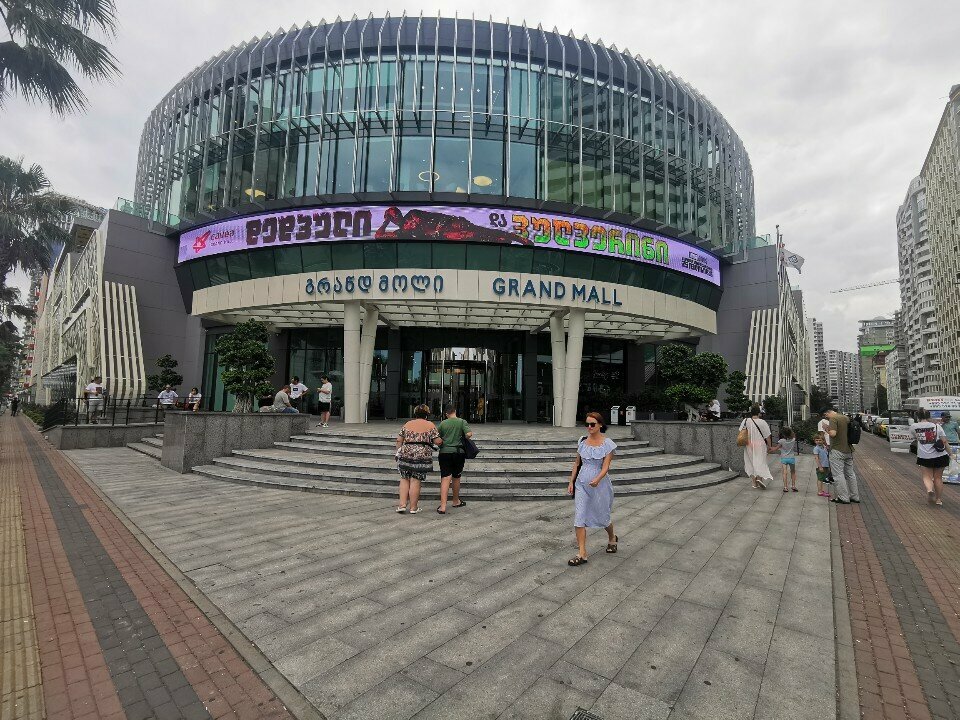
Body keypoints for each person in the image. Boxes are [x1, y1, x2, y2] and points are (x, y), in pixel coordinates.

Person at [567, 411, 618, 566]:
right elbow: (577, 463)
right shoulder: (582, 441)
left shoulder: (607, 444)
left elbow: (606, 466)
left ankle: (612, 538)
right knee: (579, 517)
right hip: (581, 484)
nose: (589, 427)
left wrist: (597, 479)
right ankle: (582, 553)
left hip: (600, 485)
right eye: (587, 424)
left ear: (600, 425)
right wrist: (571, 482)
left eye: (592, 424)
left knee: (603, 517)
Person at [395, 404, 441, 514]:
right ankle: (413, 507)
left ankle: (402, 505)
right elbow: (437, 441)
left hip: (406, 453)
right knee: (415, 480)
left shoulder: (408, 424)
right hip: (421, 456)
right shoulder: (430, 425)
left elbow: (399, 440)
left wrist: (398, 451)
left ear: (415, 414)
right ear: (427, 414)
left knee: (404, 478)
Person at [436, 404, 472, 514]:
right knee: (456, 477)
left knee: (445, 478)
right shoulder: (462, 422)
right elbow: (469, 434)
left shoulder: (443, 423)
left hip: (445, 453)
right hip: (458, 452)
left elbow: (437, 438)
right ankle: (456, 501)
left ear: (446, 414)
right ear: (455, 411)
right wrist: (463, 437)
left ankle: (443, 506)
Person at [912, 409, 949, 506]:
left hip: (924, 456)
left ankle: (929, 490)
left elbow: (916, 437)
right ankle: (938, 500)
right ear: (929, 416)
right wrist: (950, 453)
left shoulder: (914, 426)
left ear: (918, 417)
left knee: (927, 476)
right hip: (940, 455)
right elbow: (944, 441)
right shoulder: (937, 426)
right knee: (938, 478)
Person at [826, 407, 860, 504]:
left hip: (837, 450)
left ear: (828, 412)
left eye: (826, 415)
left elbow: (833, 434)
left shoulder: (833, 419)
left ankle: (843, 497)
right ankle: (855, 496)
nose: (826, 417)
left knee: (838, 474)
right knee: (850, 474)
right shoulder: (846, 417)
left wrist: (827, 429)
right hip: (849, 449)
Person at [739, 405, 774, 489]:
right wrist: (770, 446)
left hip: (749, 444)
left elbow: (741, 431)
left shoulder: (745, 420)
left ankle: (754, 483)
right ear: (759, 413)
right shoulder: (762, 422)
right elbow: (767, 437)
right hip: (760, 445)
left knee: (751, 462)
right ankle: (759, 479)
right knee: (760, 461)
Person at [772, 426, 798, 493]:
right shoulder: (793, 440)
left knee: (784, 473)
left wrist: (770, 449)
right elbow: (794, 434)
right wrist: (790, 430)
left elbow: (775, 448)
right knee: (793, 472)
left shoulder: (781, 441)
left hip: (784, 458)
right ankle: (793, 486)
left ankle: (785, 487)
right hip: (791, 458)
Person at [813, 432, 831, 498]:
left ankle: (821, 490)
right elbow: (816, 458)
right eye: (816, 440)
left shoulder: (824, 447)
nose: (818, 441)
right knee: (820, 479)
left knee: (822, 478)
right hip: (821, 466)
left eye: (820, 440)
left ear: (823, 440)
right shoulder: (816, 448)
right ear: (814, 441)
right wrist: (820, 467)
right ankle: (820, 492)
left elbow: (826, 455)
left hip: (825, 465)